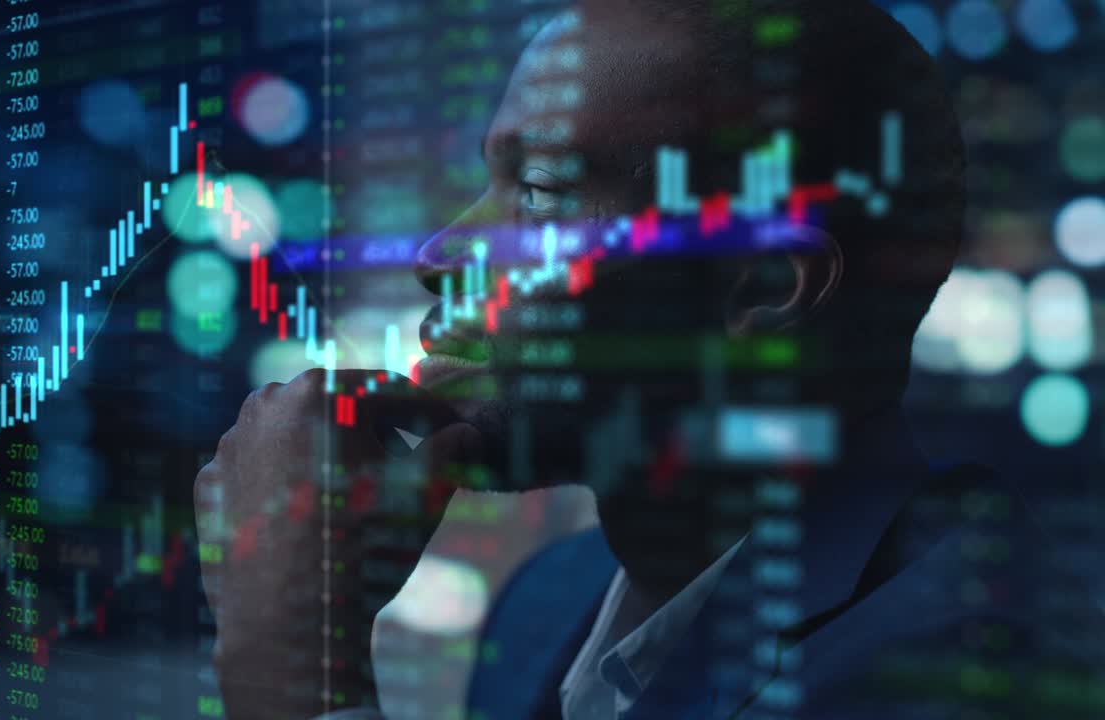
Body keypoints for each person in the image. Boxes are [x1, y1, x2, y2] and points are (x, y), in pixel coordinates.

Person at [195, 1, 1104, 718]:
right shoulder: (551, 599)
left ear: (757, 290)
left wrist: (293, 670)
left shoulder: (969, 675)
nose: (441, 250)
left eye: (540, 190)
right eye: (492, 181)